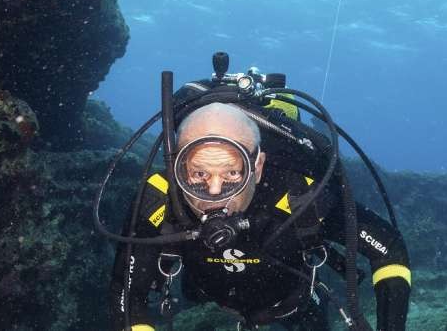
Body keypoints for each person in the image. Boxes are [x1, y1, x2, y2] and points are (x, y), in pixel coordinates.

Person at [108, 97, 410, 331]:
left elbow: (388, 247)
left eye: (232, 173)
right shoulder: (158, 199)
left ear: (258, 166)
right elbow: (127, 294)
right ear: (176, 167)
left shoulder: (298, 195)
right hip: (205, 295)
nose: (214, 193)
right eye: (198, 173)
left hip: (292, 301)